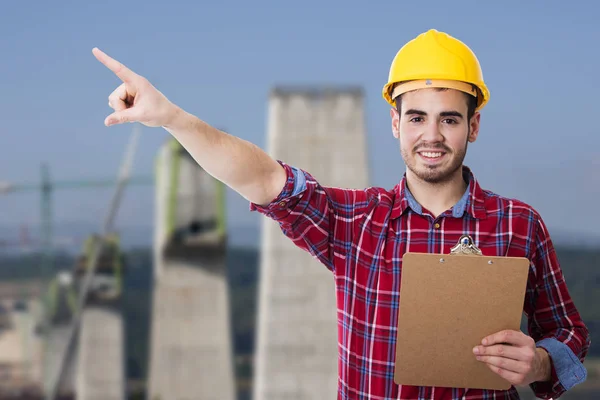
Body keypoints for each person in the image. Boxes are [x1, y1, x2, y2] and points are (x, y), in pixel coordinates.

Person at [92, 29, 590, 399]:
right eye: (417, 117)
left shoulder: (518, 224)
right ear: (396, 122)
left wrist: (540, 362)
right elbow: (266, 179)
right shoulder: (358, 222)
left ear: (473, 126)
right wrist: (171, 117)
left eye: (449, 119)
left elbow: (569, 332)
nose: (432, 136)